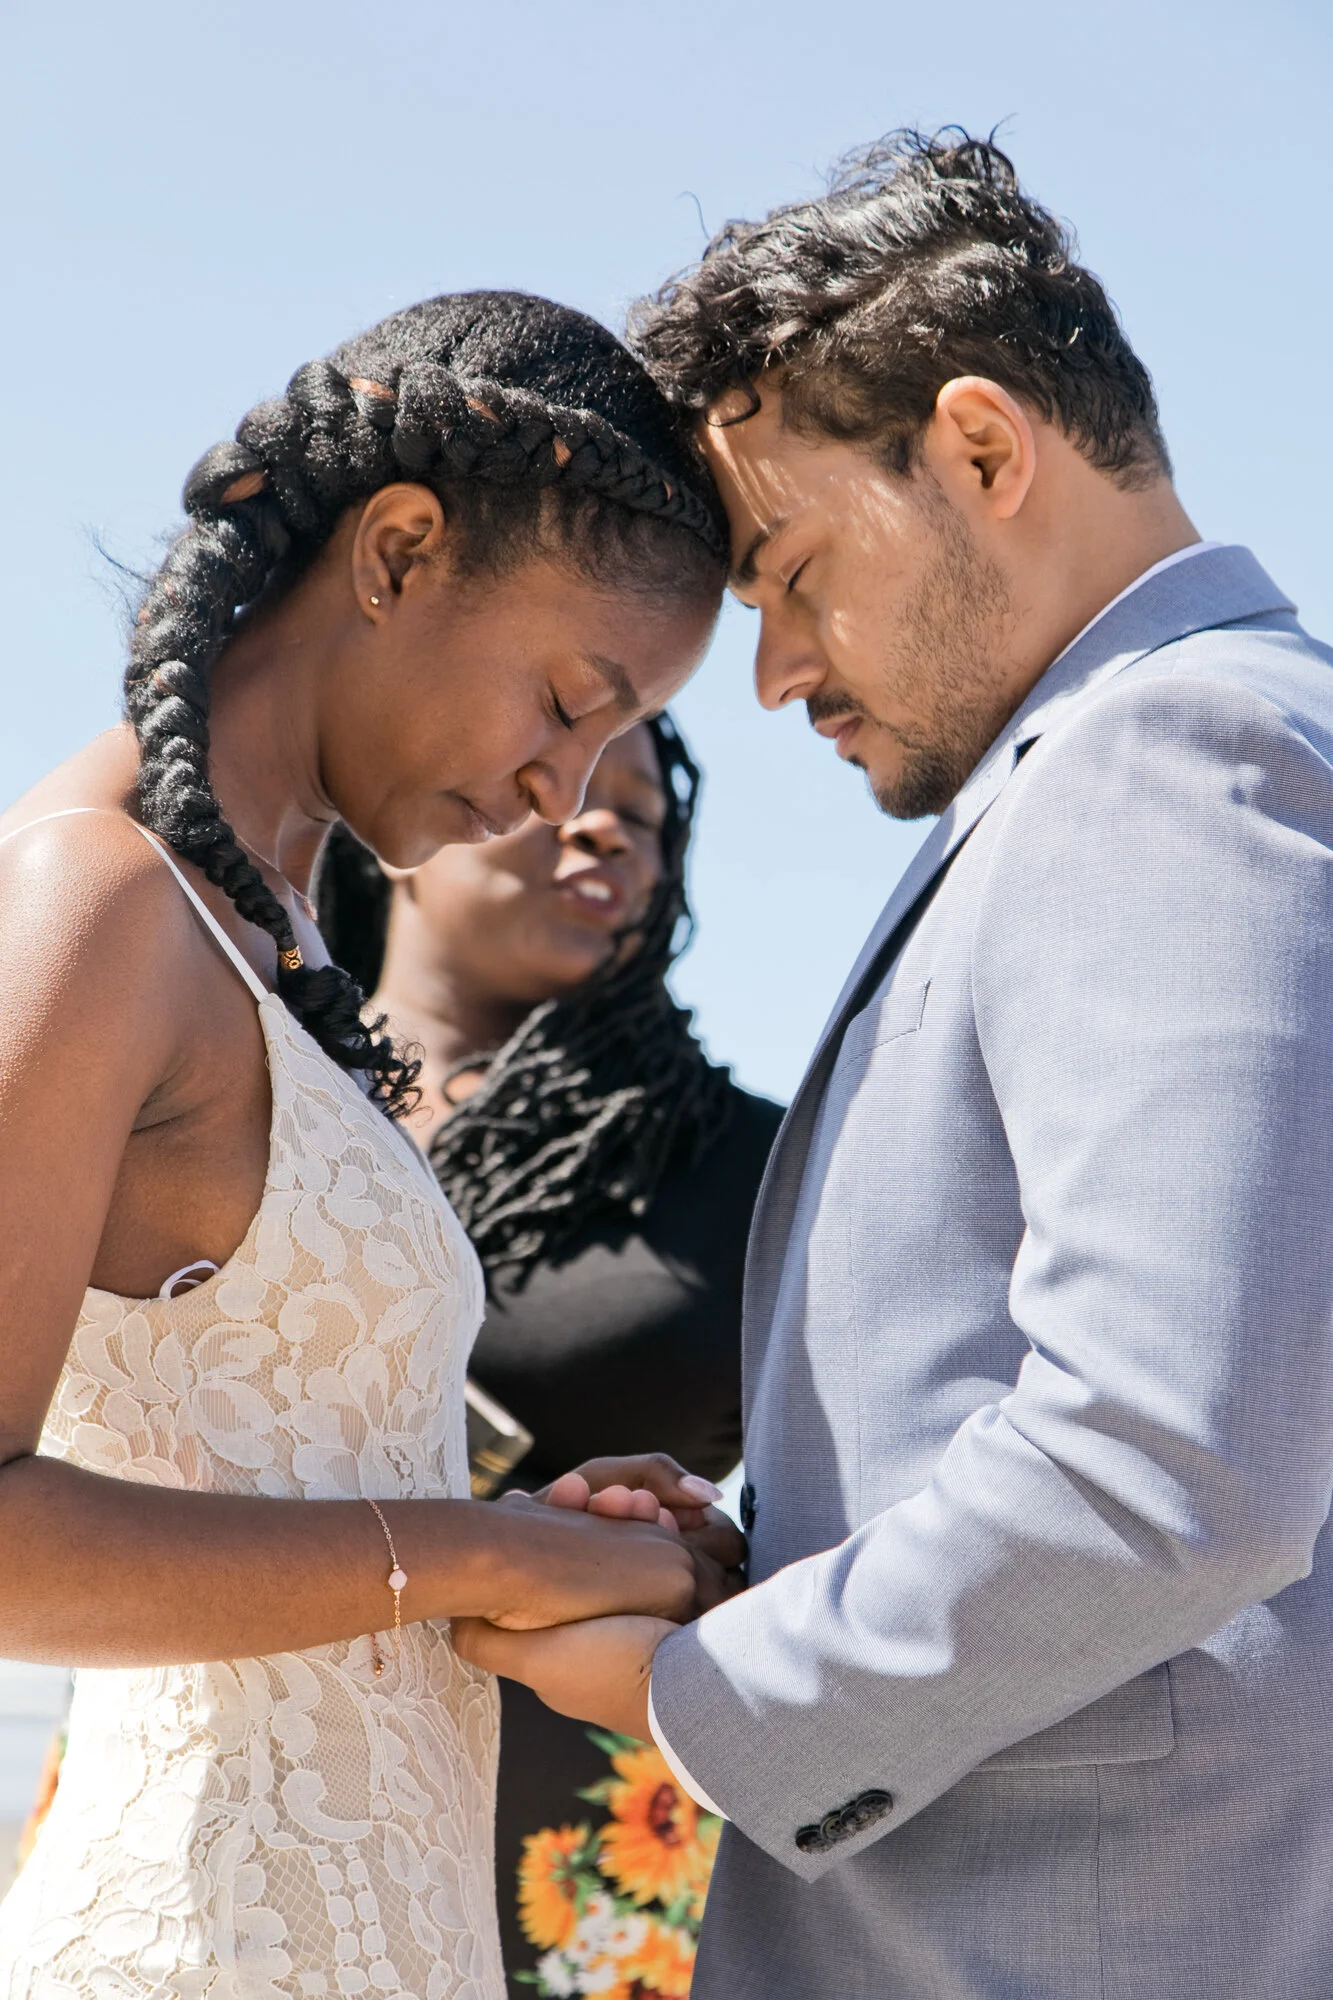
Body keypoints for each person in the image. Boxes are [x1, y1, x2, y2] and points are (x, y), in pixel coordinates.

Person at [455, 134, 1333, 1999]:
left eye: (788, 574)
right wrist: (763, 1555)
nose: (772, 673)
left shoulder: (1168, 760)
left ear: (982, 450)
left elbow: (1171, 1462)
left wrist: (701, 1690)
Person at [0, 289, 746, 2000]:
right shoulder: (93, 901)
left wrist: (553, 1543)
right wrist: (485, 1549)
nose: (565, 795)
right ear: (399, 553)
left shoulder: (272, 948)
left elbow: (260, 1495)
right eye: (566, 702)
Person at [316, 711, 781, 1995]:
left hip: (576, 1872)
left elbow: (850, 1527)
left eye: (643, 815)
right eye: (563, 783)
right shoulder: (241, 1091)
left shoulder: (755, 1166)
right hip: (219, 1794)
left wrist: (702, 1562)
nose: (609, 829)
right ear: (398, 823)